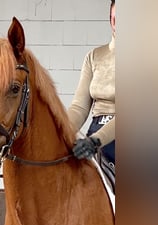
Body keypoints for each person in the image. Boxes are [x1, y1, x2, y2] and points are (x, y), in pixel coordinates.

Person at [68, 0, 116, 190]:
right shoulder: (94, 56)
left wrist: (96, 140)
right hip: (95, 132)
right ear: (111, 20)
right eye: (116, 19)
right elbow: (79, 107)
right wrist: (59, 131)